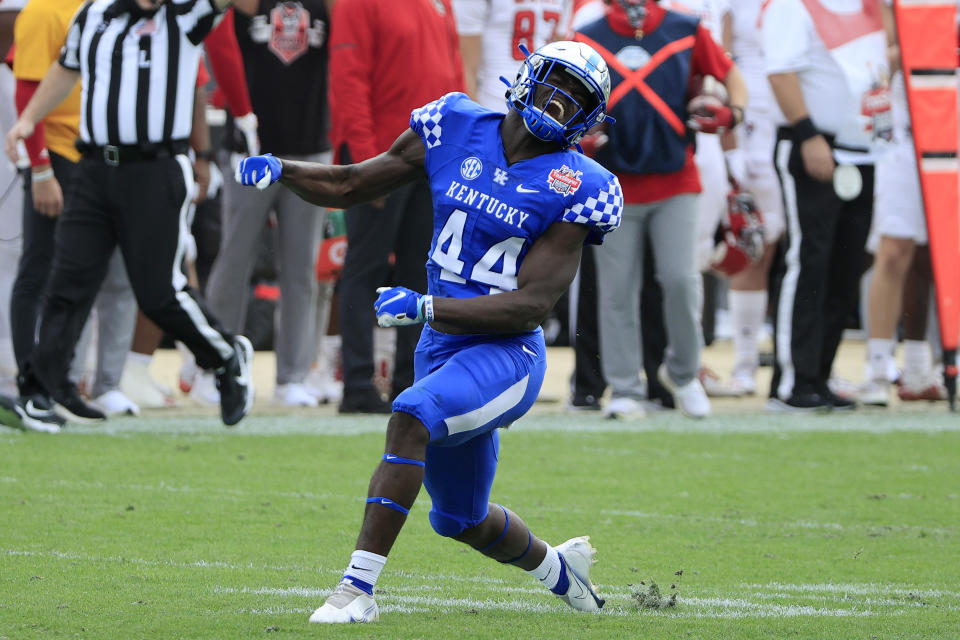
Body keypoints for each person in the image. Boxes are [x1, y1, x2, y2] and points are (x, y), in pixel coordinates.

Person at [236, 40, 622, 623]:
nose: (560, 104)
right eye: (555, 85)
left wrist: (426, 307)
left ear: (590, 120)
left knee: (412, 414)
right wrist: (283, 171)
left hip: (507, 355)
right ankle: (561, 571)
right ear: (528, 75)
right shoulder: (456, 123)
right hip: (441, 346)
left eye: (577, 100)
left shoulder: (578, 184)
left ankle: (356, 590)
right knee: (459, 518)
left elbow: (529, 307)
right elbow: (349, 184)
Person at [4, 0, 254, 427]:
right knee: (68, 281)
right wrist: (28, 119)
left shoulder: (186, 13)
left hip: (155, 169)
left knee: (159, 291)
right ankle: (42, 390)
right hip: (94, 167)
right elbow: (66, 69)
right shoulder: (93, 14)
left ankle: (226, 354)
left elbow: (246, 7)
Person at [573, 0, 747, 419]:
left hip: (676, 177)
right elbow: (564, 96)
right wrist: (576, 134)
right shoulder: (586, 36)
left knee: (682, 280)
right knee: (617, 290)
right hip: (614, 184)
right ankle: (626, 388)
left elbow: (730, 74)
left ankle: (685, 375)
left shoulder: (686, 27)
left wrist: (734, 112)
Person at [329, 0, 465, 414]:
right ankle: (356, 384)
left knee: (423, 273)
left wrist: (460, 154)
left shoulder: (441, 3)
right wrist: (368, 165)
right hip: (383, 157)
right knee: (363, 268)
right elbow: (348, 81)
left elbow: (454, 79)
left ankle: (411, 382)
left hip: (433, 160)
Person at [198, 0, 333, 409]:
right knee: (234, 260)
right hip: (250, 149)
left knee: (301, 269)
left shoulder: (328, 5)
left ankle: (292, 374)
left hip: (311, 147)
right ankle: (213, 365)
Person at [762, 0, 889, 411]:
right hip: (814, 144)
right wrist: (808, 133)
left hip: (864, 150)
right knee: (808, 260)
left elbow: (881, 66)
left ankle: (820, 373)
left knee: (846, 265)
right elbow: (780, 72)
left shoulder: (872, 7)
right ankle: (792, 380)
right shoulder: (793, 6)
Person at [722, 0, 786, 395]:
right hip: (752, 119)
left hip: (793, 112)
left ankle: (799, 359)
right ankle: (744, 363)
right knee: (753, 242)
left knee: (791, 244)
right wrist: (731, 144)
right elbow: (721, 63)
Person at [453, 0, 571, 112]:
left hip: (540, 103)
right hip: (493, 102)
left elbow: (558, 53)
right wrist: (476, 116)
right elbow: (465, 67)